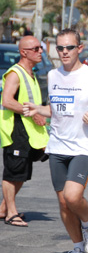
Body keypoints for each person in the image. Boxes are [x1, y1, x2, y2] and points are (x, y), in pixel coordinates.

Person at [24, 28, 88, 253]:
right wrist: (37, 109)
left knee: (73, 196)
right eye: (60, 48)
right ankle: (78, 249)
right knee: (63, 204)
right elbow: (55, 109)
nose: (64, 52)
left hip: (83, 147)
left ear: (80, 48)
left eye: (69, 47)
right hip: (57, 146)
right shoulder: (53, 76)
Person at [0, 36, 49, 227]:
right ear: (23, 52)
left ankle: (4, 208)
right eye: (35, 48)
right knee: (13, 172)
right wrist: (32, 113)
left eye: (40, 48)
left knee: (21, 172)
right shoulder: (15, 73)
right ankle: (11, 213)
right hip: (16, 130)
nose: (40, 51)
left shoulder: (32, 74)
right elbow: (7, 101)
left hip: (30, 132)